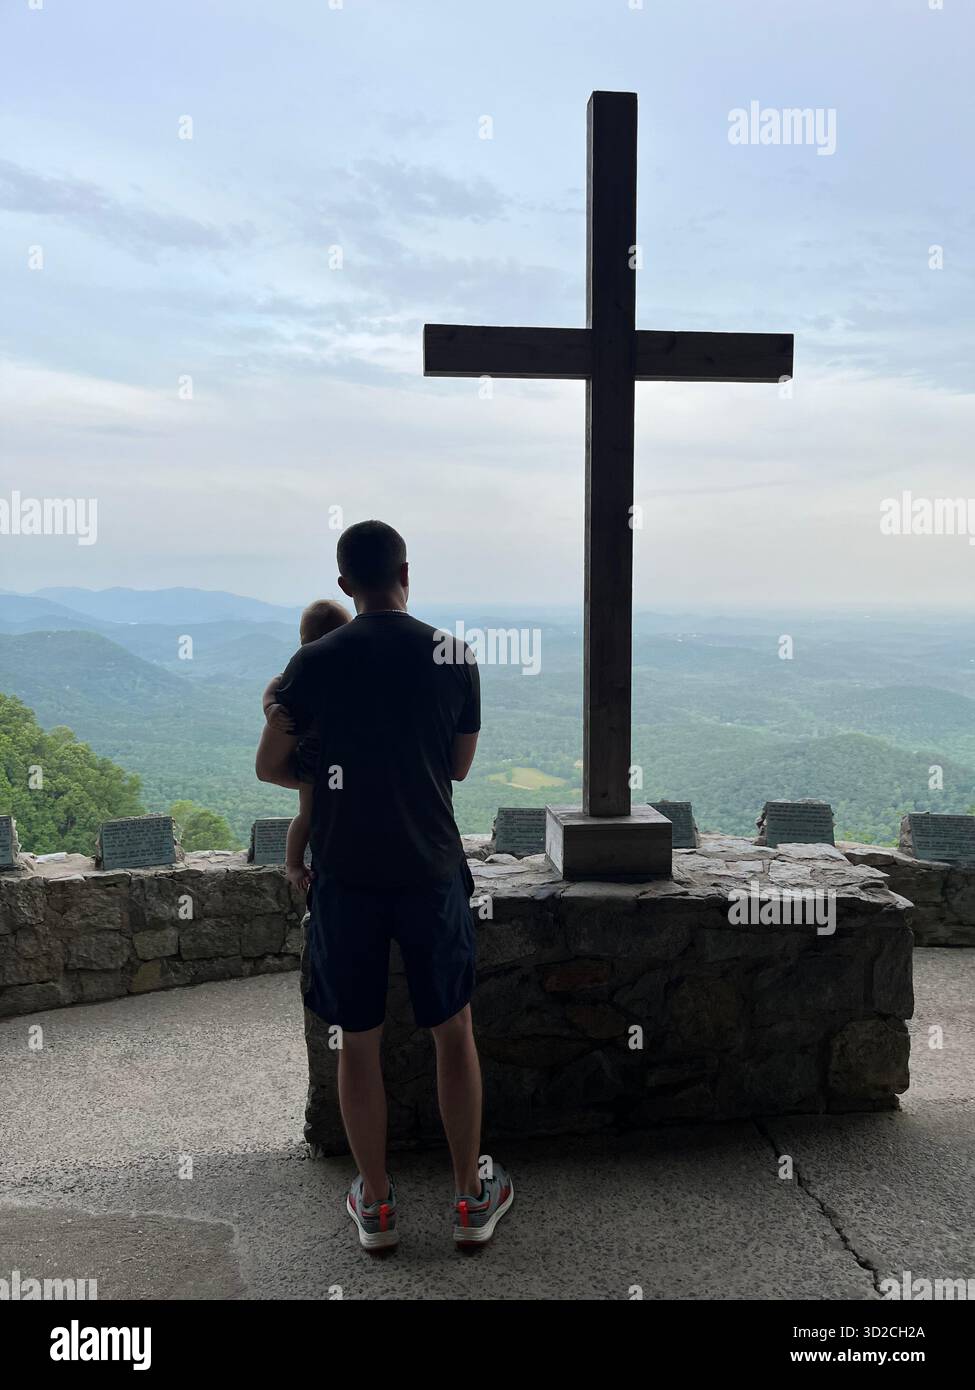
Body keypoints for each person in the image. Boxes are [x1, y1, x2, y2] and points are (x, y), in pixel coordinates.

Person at [255, 520, 512, 1252]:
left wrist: (333, 772)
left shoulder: (315, 661)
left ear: (344, 584)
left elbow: (269, 766)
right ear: (406, 570)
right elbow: (457, 767)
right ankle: (469, 1200)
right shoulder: (453, 654)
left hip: (344, 874)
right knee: (452, 1032)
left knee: (356, 1043)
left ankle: (375, 1203)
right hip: (428, 867)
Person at [262, 599, 352, 891]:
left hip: (333, 763)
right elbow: (275, 684)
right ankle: (293, 863)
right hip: (314, 762)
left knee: (316, 813)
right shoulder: (302, 670)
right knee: (309, 813)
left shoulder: (327, 669)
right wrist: (270, 708)